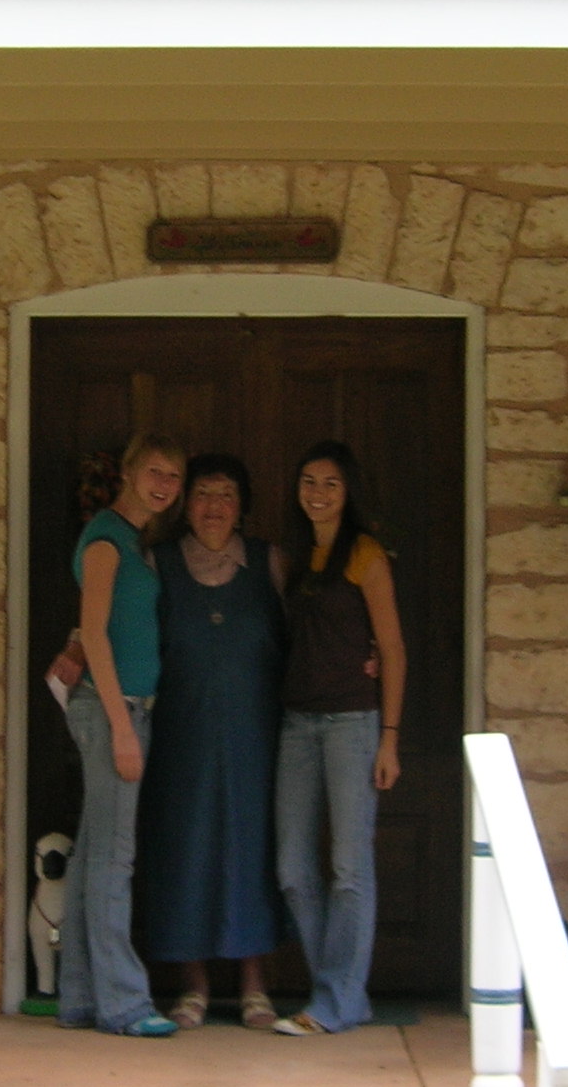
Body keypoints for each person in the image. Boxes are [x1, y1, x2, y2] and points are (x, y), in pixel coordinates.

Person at [139, 453, 283, 1031]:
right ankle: (192, 985)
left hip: (257, 735)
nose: (214, 506)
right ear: (184, 502)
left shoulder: (270, 562)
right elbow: (129, 631)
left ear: (242, 504)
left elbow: (310, 633)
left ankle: (255, 984)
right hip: (181, 733)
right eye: (202, 493)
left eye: (226, 494)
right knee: (185, 850)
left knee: (255, 850)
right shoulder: (159, 563)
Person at [271, 440, 405, 1037]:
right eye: (307, 481)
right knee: (294, 868)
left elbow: (393, 648)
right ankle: (342, 995)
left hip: (353, 724)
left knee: (349, 868)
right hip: (297, 723)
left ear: (347, 491)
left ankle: (333, 1000)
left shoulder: (366, 554)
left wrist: (390, 737)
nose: (317, 493)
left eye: (328, 483)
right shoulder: (292, 557)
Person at [58, 433, 186, 1038]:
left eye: (175, 477)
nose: (165, 485)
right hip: (114, 709)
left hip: (128, 709)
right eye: (156, 472)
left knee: (94, 857)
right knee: (115, 859)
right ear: (131, 473)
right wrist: (120, 727)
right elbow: (95, 634)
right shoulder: (107, 541)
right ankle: (125, 1005)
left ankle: (82, 998)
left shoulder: (135, 540)